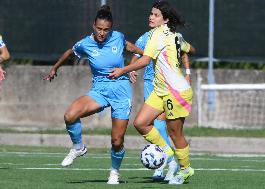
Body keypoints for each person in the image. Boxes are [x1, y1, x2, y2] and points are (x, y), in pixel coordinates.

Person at [44, 5, 142, 185]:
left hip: (121, 92)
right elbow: (69, 52)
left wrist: (130, 68)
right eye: (99, 28)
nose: (102, 33)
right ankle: (78, 147)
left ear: (110, 29)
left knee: (117, 140)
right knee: (70, 115)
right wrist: (54, 69)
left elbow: (138, 52)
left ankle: (114, 172)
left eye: (106, 29)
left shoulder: (118, 38)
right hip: (99, 91)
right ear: (93, 26)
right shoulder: (85, 44)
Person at [109, 0, 195, 184]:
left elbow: (145, 60)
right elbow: (190, 49)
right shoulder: (172, 34)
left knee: (175, 133)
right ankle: (167, 152)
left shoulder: (157, 35)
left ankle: (186, 170)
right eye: (151, 13)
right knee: (141, 123)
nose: (151, 17)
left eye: (156, 15)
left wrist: (123, 70)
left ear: (165, 19)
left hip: (176, 91)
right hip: (161, 90)